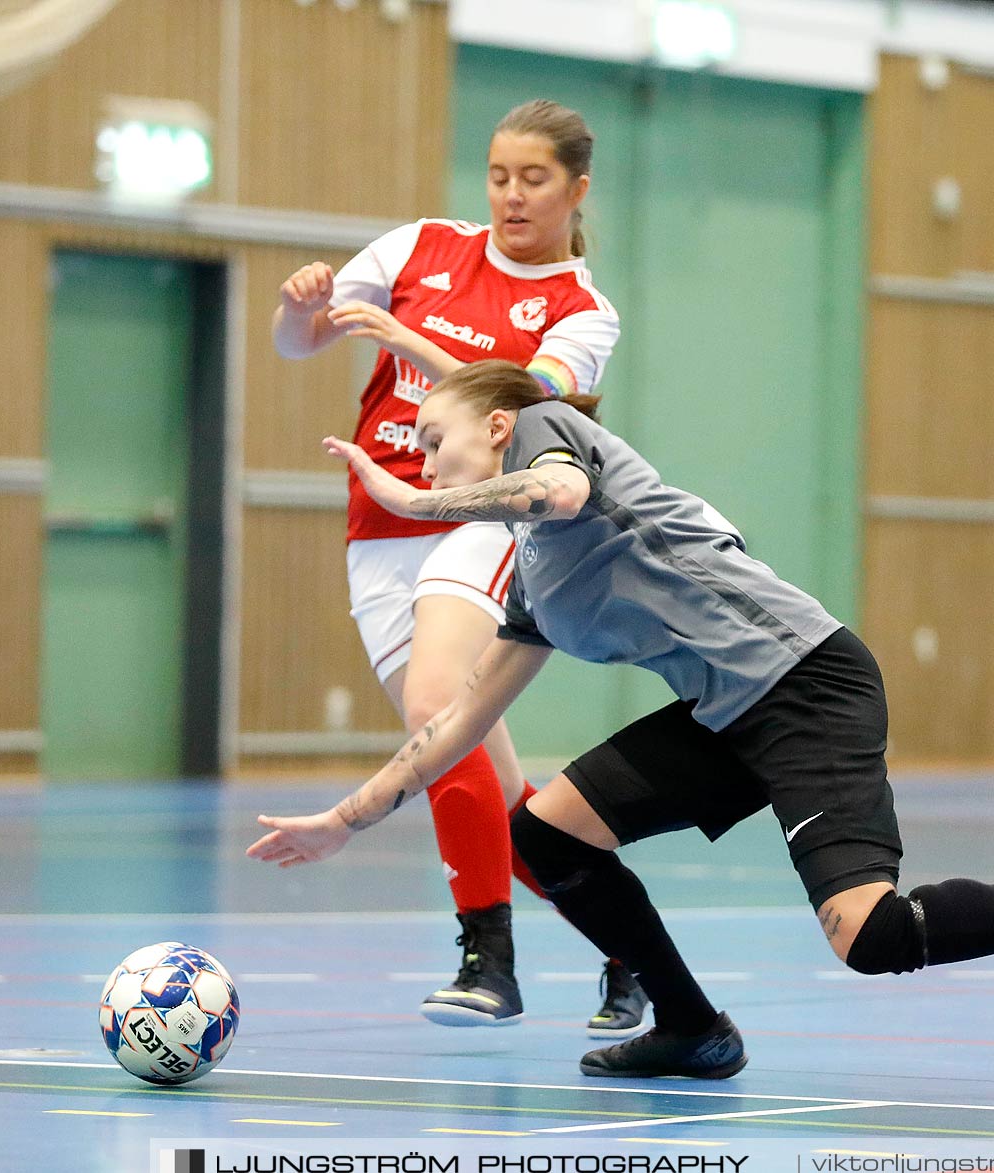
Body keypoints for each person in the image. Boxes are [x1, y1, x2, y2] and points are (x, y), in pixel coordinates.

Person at [246, 359, 994, 1079]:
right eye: (415, 456)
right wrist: (351, 816)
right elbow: (464, 715)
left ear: (498, 427)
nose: (423, 463)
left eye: (434, 441)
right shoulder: (537, 586)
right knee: (546, 834)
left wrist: (416, 505)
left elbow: (556, 493)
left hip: (807, 685)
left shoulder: (555, 436)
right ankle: (691, 1029)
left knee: (874, 938)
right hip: (723, 717)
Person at [269, 99, 646, 1036]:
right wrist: (296, 308)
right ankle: (632, 949)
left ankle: (488, 960)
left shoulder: (581, 312)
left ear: (577, 189)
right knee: (479, 783)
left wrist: (416, 349)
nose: (512, 197)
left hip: (486, 516)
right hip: (381, 525)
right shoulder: (419, 249)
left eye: (535, 179)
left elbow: (523, 400)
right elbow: (301, 341)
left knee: (439, 700)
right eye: (498, 176)